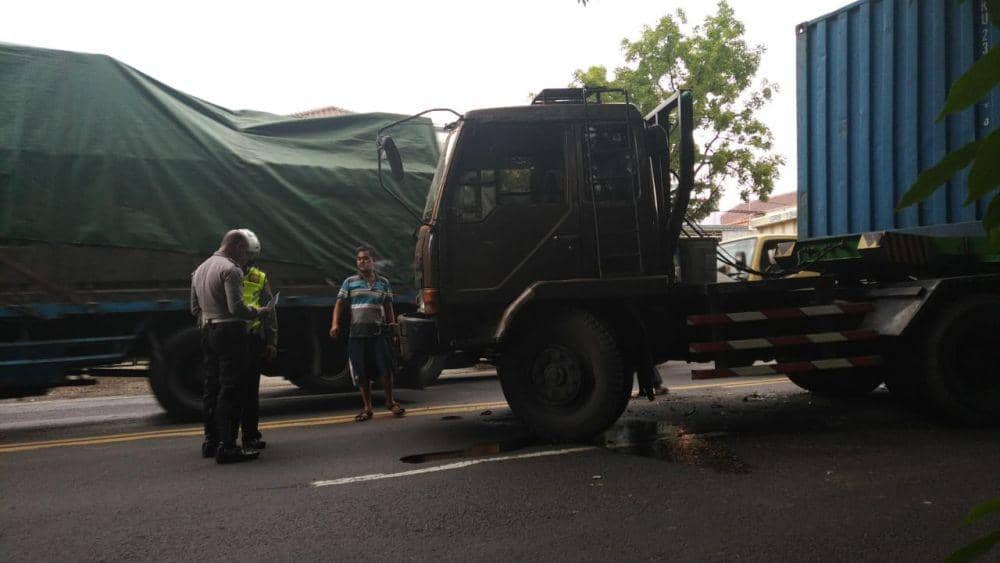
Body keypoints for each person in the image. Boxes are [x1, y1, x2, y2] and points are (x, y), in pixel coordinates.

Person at [190, 229, 270, 464]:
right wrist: (259, 311)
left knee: (212, 387)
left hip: (209, 330)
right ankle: (228, 446)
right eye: (245, 253)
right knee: (232, 389)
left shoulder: (200, 269)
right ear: (236, 246)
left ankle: (211, 441)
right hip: (231, 332)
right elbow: (237, 309)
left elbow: (194, 309)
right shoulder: (230, 270)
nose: (245, 259)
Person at [329, 246, 405, 422]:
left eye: (366, 258)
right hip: (357, 334)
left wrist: (393, 328)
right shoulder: (350, 282)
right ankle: (367, 408)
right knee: (361, 373)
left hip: (378, 333)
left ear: (373, 261)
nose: (362, 261)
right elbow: (339, 304)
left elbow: (388, 306)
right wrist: (335, 324)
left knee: (386, 370)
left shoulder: (383, 283)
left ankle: (390, 402)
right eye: (359, 259)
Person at [238, 261, 277, 451]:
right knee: (243, 392)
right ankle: (246, 437)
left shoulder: (258, 277)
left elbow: (270, 311)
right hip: (238, 336)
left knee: (246, 391)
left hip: (245, 337)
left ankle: (244, 436)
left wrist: (271, 340)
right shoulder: (227, 273)